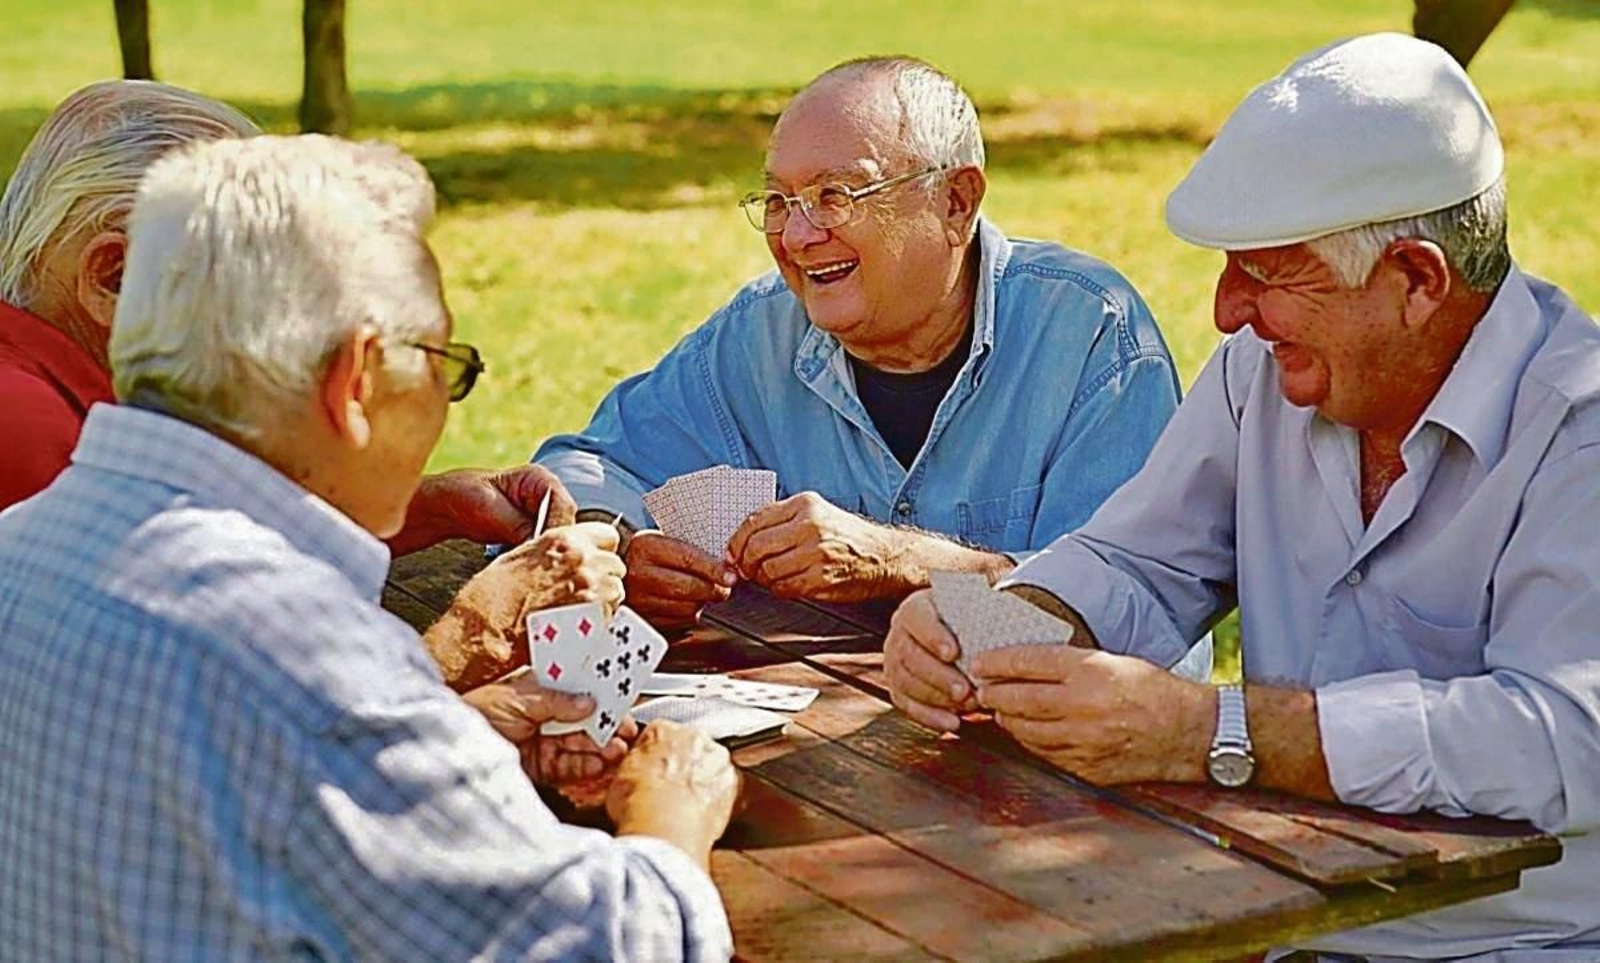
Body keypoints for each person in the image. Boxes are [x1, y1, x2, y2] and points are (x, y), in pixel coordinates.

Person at [885, 34, 1600, 958]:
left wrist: (1215, 731)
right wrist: (1001, 622)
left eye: (1264, 272)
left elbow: (1566, 738)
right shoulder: (1258, 374)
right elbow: (1137, 562)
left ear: (1417, 280)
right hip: (1270, 915)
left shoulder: (1578, 426)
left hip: (1518, 945)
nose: (1226, 311)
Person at [0, 134, 737, 961]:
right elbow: (615, 945)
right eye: (442, 364)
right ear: (355, 382)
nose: (442, 405)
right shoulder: (308, 654)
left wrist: (450, 737)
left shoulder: (23, 546)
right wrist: (672, 809)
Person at [534, 57, 1194, 646]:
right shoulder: (761, 332)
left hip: (1049, 762)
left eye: (835, 196)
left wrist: (902, 564)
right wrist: (617, 542)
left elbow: (1116, 627)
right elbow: (581, 465)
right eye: (778, 200)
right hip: (829, 757)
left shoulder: (1090, 336)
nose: (795, 235)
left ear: (956, 202)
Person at [0, 79, 577, 560]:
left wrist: (430, 509)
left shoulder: (87, 396)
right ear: (113, 277)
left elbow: (227, 537)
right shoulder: (29, 428)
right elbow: (198, 647)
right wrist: (480, 634)